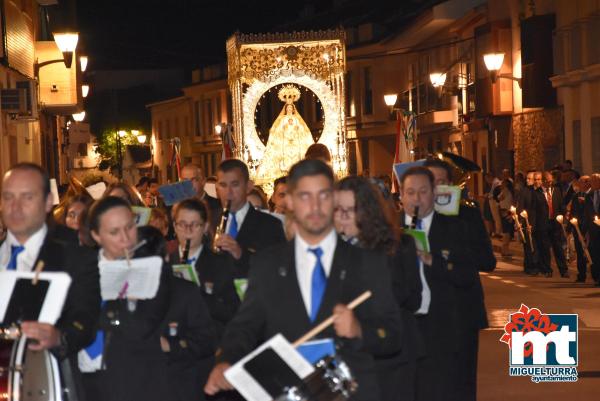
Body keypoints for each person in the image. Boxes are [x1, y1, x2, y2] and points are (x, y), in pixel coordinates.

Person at [204, 159, 404, 401]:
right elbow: (245, 325)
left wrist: (360, 330)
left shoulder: (367, 263)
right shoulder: (268, 263)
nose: (315, 206)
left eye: (323, 195)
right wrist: (226, 360)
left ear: (334, 199)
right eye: (305, 196)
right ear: (289, 201)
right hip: (289, 391)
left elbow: (393, 335)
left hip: (353, 392)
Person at [0, 163, 101, 398]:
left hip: (50, 382)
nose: (15, 207)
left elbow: (86, 318)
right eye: (8, 197)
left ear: (48, 203)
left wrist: (60, 336)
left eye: (27, 197)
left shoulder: (75, 255)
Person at [334, 176, 421, 401]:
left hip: (389, 361)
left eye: (349, 210)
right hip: (347, 365)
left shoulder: (397, 247)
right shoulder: (332, 250)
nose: (341, 217)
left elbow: (410, 298)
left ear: (366, 212)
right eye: (337, 209)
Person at [399, 166, 477, 401]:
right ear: (401, 195)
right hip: (403, 328)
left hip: (441, 328)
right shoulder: (389, 229)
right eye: (410, 192)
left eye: (423, 191)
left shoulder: (455, 227)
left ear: (434, 193)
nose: (416, 198)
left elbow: (467, 275)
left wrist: (433, 260)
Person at [83, 196, 171, 401]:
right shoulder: (81, 267)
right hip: (82, 381)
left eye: (129, 227)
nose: (125, 238)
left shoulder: (153, 268)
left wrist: (95, 317)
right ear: (96, 236)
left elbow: (140, 326)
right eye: (114, 232)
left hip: (134, 383)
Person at [423, 159, 495, 401]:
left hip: (462, 312)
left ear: (451, 185)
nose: (435, 188)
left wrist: (453, 237)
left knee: (461, 385)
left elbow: (487, 261)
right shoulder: (412, 216)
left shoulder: (467, 214)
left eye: (441, 182)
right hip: (426, 315)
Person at [135, 225, 217, 401]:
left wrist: (170, 345)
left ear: (165, 258)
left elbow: (207, 341)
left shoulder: (184, 292)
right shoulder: (122, 292)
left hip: (177, 385)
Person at [169, 198, 240, 337]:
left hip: (209, 345)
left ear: (206, 227)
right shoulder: (163, 262)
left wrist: (198, 293)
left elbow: (232, 312)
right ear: (174, 226)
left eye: (195, 225)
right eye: (182, 224)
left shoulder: (222, 264)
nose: (188, 231)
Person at [213, 159, 286, 278]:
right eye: (223, 185)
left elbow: (277, 268)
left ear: (248, 186)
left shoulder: (270, 224)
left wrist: (241, 254)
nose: (228, 192)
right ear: (217, 188)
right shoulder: (209, 220)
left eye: (235, 184)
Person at [256, 85, 315, 184]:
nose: (289, 110)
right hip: (285, 143)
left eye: (291, 109)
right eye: (288, 109)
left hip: (295, 142)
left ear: (293, 109)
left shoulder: (297, 119)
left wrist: (297, 131)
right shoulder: (282, 119)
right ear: (285, 109)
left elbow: (302, 130)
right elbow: (277, 130)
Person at [543, 170, 569, 277]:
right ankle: (547, 270)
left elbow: (561, 205)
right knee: (545, 248)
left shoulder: (557, 191)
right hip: (544, 223)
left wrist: (565, 213)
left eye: (550, 181)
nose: (549, 183)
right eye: (547, 181)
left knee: (558, 247)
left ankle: (563, 270)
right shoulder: (539, 192)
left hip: (555, 223)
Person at [180, 163, 221, 230]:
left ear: (203, 181)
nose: (189, 184)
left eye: (193, 180)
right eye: (185, 181)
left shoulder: (218, 206)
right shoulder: (176, 206)